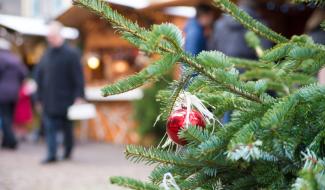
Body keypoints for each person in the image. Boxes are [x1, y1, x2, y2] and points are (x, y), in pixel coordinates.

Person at [35, 21, 85, 163]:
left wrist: (79, 95)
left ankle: (68, 151)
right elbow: (38, 76)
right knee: (50, 127)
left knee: (67, 129)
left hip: (67, 99)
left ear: (58, 35)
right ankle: (52, 155)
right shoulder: (46, 55)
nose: (49, 38)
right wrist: (38, 98)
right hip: (49, 99)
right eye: (48, 36)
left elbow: (78, 77)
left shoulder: (71, 53)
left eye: (51, 35)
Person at [0, 38, 28, 149]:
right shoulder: (15, 59)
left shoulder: (1, 58)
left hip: (2, 93)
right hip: (15, 93)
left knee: (4, 117)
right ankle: (6, 141)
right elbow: (24, 74)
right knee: (9, 117)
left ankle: (11, 141)